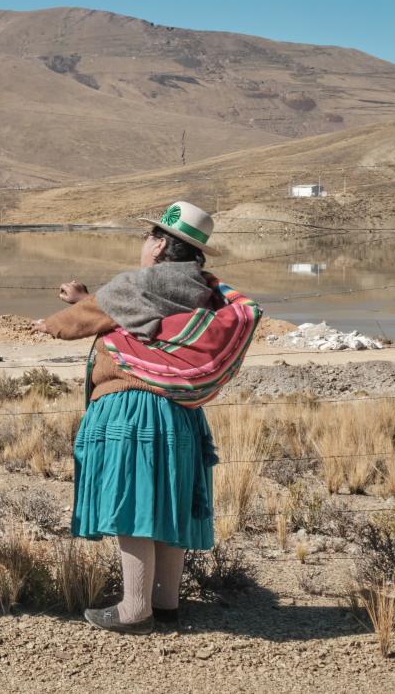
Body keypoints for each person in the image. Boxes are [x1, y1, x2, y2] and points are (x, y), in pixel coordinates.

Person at [34, 201, 251, 635]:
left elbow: (75, 323)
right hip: (180, 413)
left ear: (159, 246)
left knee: (133, 504)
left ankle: (135, 609)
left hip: (134, 409)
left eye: (148, 236)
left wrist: (50, 322)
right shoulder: (202, 290)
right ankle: (166, 604)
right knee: (168, 502)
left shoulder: (136, 285)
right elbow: (133, 316)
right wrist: (92, 300)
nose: (145, 244)